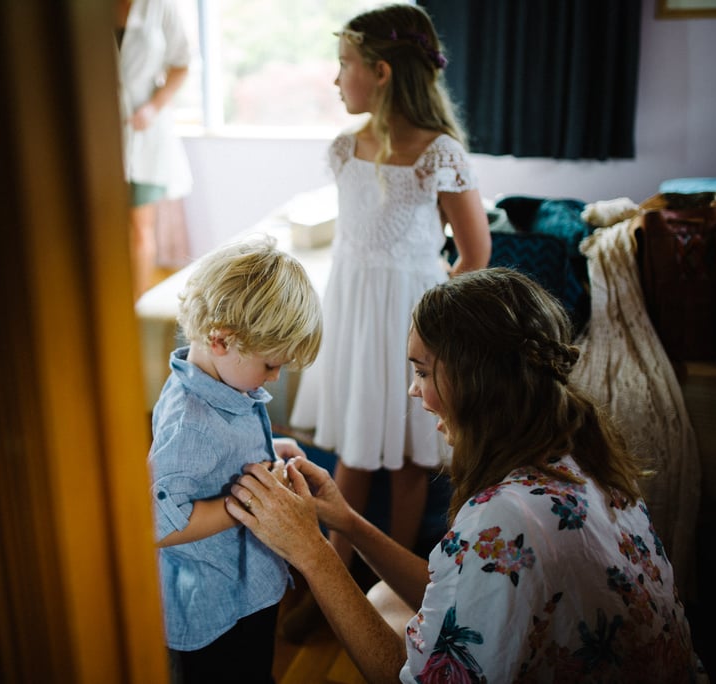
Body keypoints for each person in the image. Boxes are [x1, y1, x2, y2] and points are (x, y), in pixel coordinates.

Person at [227, 268, 707, 683]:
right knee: (385, 598)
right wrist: (348, 521)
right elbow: (458, 586)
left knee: (384, 608)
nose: (415, 392)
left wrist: (312, 551)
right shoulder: (577, 452)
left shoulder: (508, 513)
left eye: (424, 372)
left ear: (476, 380)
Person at [283, 2, 490, 640]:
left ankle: (388, 594)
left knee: (405, 463)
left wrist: (429, 325)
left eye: (343, 64)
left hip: (409, 322)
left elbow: (476, 256)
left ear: (378, 70)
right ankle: (328, 582)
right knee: (352, 452)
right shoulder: (346, 149)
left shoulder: (439, 153)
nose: (335, 77)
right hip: (353, 317)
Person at [149, 236, 323, 682]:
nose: (275, 376)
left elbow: (223, 450)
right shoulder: (189, 422)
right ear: (222, 339)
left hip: (248, 588)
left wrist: (269, 450)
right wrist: (240, 506)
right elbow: (160, 522)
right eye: (269, 365)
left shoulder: (224, 382)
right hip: (214, 607)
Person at [116, 0, 194, 300]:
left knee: (139, 223)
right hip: (97, 129)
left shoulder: (160, 7)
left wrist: (153, 107)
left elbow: (182, 63)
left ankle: (136, 302)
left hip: (144, 130)